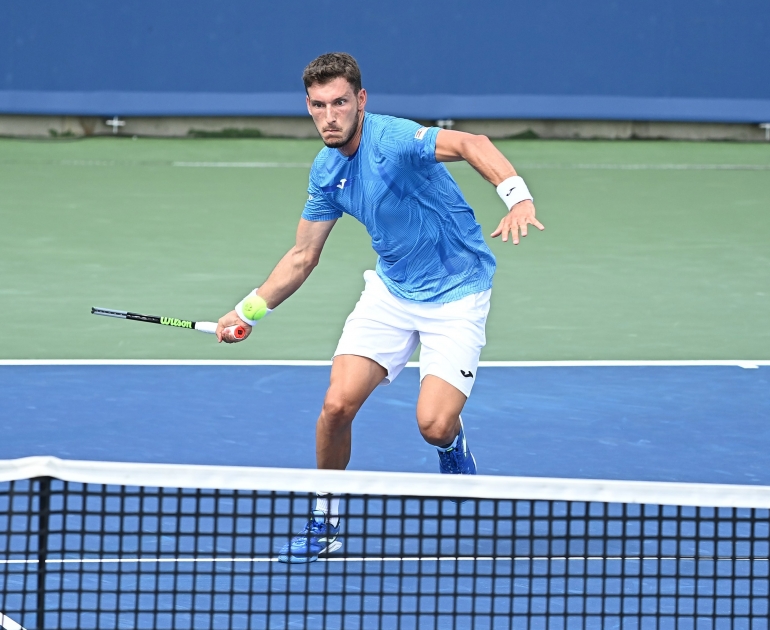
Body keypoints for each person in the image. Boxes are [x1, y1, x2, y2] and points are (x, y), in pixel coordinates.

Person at [215, 52, 543, 562]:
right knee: (335, 407)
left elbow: (471, 143)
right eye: (319, 105)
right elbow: (303, 256)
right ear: (308, 107)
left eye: (340, 102)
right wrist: (248, 312)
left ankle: (452, 446)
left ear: (361, 100)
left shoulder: (393, 140)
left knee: (433, 424)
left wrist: (517, 197)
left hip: (457, 293)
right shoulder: (326, 172)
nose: (330, 115)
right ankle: (325, 521)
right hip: (391, 293)